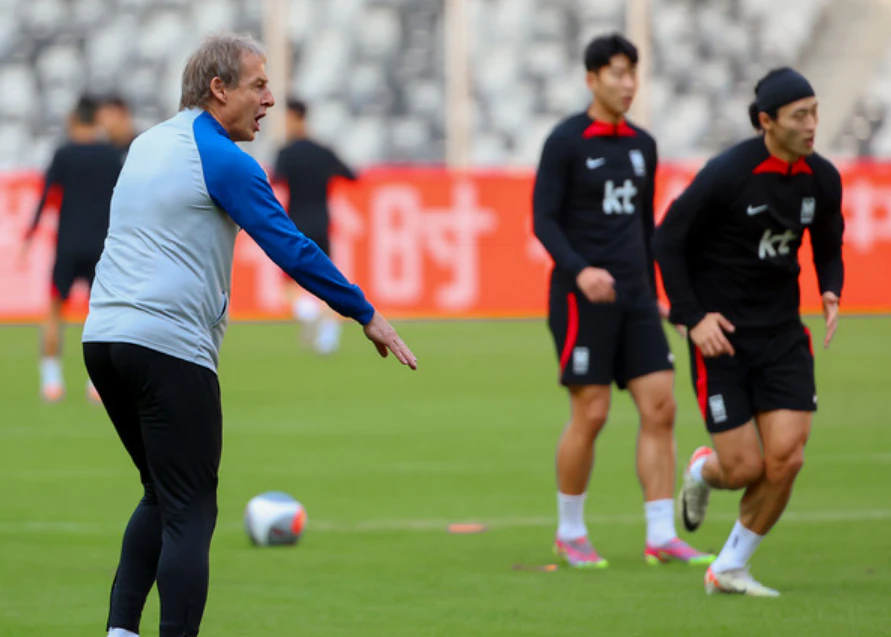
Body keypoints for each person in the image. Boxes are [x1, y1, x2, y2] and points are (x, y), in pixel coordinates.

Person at [82, 34, 417, 637]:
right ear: (219, 90)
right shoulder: (224, 159)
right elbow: (289, 245)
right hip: (167, 345)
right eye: (258, 84)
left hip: (103, 337)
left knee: (160, 492)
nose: (269, 98)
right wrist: (364, 311)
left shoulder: (146, 143)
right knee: (190, 509)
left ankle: (120, 631)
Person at [655, 67, 844, 596]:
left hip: (783, 335)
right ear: (767, 121)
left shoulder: (822, 177)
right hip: (723, 338)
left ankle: (729, 566)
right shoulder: (727, 174)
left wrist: (831, 288)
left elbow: (828, 241)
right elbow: (667, 240)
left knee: (787, 457)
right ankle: (703, 471)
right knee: (742, 467)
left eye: (815, 112)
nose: (812, 125)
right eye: (799, 115)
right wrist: (694, 318)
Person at [532, 33, 712, 569]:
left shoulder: (643, 146)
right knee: (592, 413)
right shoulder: (566, 141)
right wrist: (581, 270)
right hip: (580, 300)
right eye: (617, 73)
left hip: (634, 297)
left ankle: (660, 535)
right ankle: (570, 531)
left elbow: (642, 226)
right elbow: (543, 219)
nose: (628, 83)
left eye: (633, 73)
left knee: (661, 405)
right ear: (592, 79)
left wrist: (656, 293)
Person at [19, 95, 123, 403]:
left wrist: (29, 236)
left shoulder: (63, 154)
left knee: (53, 311)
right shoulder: (110, 154)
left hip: (67, 244)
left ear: (74, 120)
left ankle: (52, 382)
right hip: (102, 245)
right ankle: (97, 383)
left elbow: (45, 196)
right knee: (102, 314)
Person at [273, 98, 358, 354]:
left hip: (295, 226)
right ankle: (328, 331)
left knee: (288, 285)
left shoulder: (286, 153)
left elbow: (276, 178)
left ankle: (308, 314)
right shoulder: (323, 151)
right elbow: (351, 175)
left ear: (294, 118)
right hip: (321, 224)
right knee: (325, 281)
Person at [97, 94, 138, 159]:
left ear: (124, 113)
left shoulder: (140, 145)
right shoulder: (101, 150)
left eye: (109, 114)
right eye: (101, 116)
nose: (105, 122)